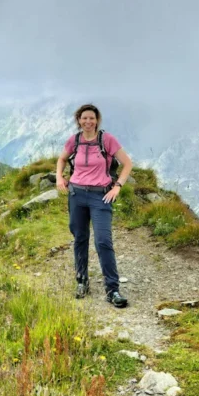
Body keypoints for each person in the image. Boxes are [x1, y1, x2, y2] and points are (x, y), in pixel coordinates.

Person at [55, 104, 133, 308]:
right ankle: (82, 282)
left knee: (103, 241)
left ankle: (113, 289)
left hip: (101, 196)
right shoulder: (75, 140)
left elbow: (127, 163)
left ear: (97, 120)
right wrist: (59, 178)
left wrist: (117, 187)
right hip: (76, 194)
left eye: (92, 118)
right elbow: (62, 159)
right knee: (80, 238)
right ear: (78, 120)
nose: (88, 122)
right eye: (84, 118)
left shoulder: (106, 139)